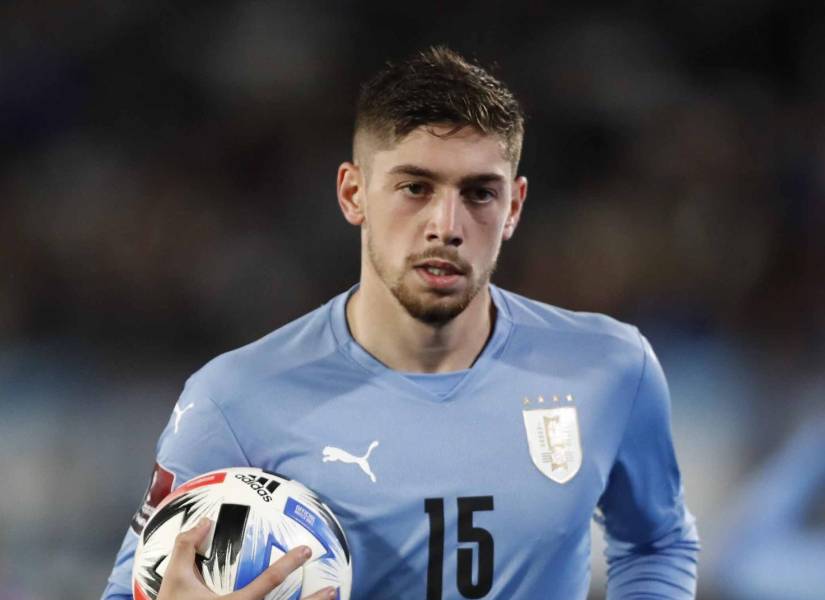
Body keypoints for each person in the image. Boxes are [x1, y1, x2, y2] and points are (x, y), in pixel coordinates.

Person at [102, 46, 699, 600]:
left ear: (514, 206)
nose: (447, 224)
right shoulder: (234, 401)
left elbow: (656, 542)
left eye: (479, 194)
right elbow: (132, 589)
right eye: (415, 186)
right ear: (353, 193)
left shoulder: (611, 368)